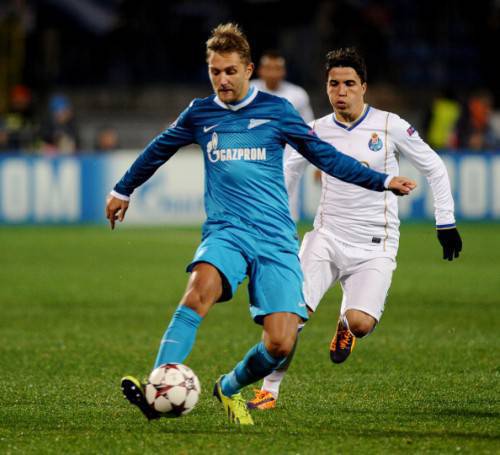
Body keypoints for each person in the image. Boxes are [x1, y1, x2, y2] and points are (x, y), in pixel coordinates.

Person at [106, 26, 416, 426]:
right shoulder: (200, 114)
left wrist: (382, 180)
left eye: (230, 71)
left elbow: (327, 158)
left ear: (248, 69)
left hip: (275, 238)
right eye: (215, 71)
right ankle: (159, 384)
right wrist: (122, 190)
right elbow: (157, 151)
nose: (222, 80)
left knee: (281, 342)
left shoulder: (278, 111)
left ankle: (228, 387)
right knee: (199, 290)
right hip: (226, 231)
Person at [248, 47, 462, 410]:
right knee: (289, 316)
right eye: (334, 84)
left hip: (375, 245)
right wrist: (272, 223)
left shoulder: (389, 125)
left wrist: (446, 221)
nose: (341, 91)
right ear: (326, 88)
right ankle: (269, 390)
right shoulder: (314, 131)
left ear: (364, 86)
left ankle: (346, 325)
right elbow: (288, 173)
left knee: (361, 322)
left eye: (349, 83)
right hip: (326, 237)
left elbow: (434, 166)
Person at [251, 50, 315, 219]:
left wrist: (317, 165)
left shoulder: (297, 95)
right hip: (254, 162)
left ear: (283, 71)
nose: (273, 72)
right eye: (268, 68)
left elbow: (310, 130)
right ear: (260, 70)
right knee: (254, 213)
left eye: (277, 68)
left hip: (287, 164)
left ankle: (286, 245)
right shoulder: (248, 90)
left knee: (287, 212)